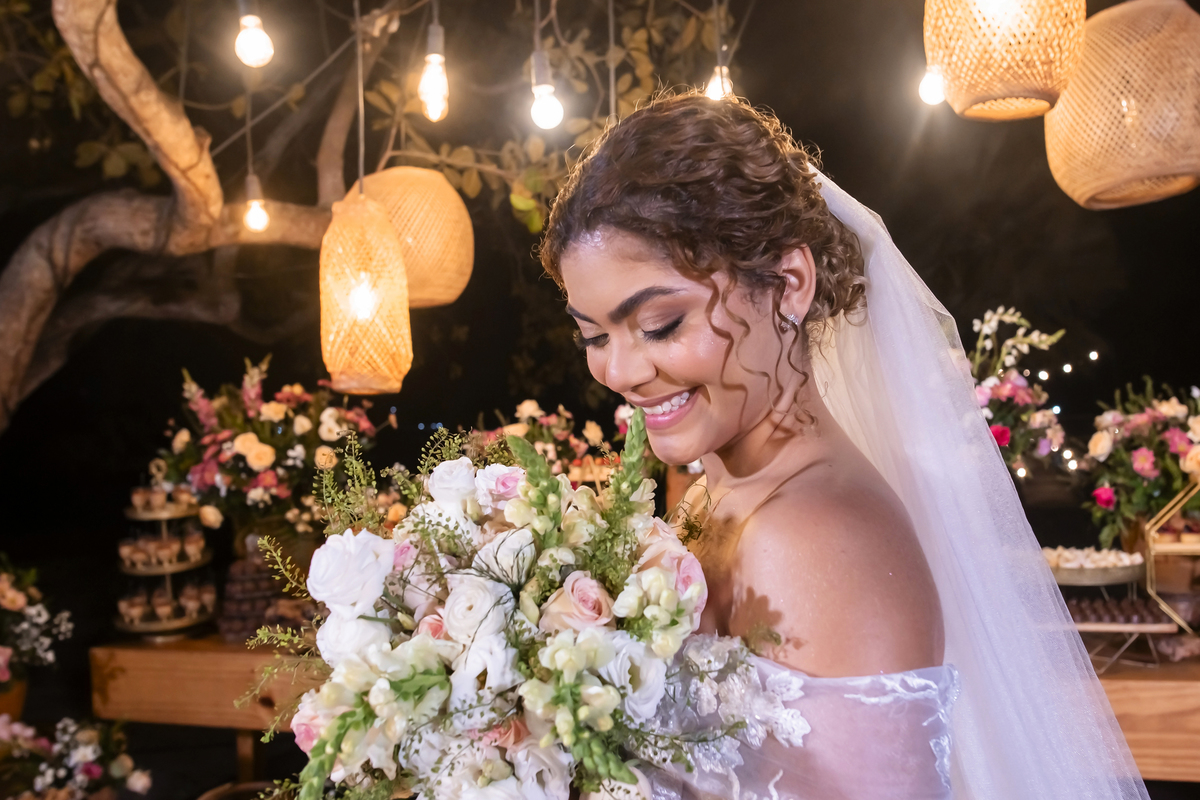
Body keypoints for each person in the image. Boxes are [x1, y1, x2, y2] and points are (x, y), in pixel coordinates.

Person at [539, 93, 1147, 800]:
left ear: (790, 285)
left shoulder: (817, 537)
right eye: (593, 336)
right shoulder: (723, 493)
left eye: (660, 324)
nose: (619, 371)